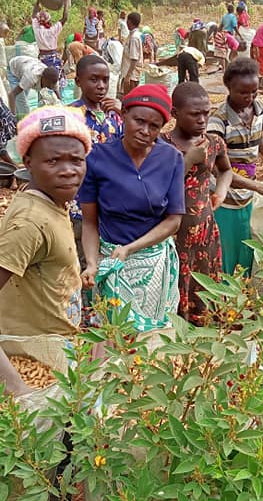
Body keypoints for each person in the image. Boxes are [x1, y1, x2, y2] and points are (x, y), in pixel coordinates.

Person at [0, 107, 92, 394]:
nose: (68, 170)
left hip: (60, 350)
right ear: (28, 162)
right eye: (53, 160)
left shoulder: (50, 201)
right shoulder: (32, 222)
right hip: (39, 362)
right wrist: (16, 387)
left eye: (76, 160)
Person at [79, 84, 185, 331]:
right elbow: (90, 221)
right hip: (112, 260)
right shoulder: (97, 158)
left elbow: (173, 221)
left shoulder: (171, 159)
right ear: (123, 113)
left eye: (154, 126)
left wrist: (131, 248)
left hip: (153, 265)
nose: (145, 131)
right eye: (139, 121)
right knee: (114, 335)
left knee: (153, 336)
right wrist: (93, 263)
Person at [163, 82, 233, 323]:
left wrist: (221, 192)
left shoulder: (213, 142)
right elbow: (160, 187)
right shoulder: (162, 146)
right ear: (175, 114)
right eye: (195, 114)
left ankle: (202, 321)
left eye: (206, 113)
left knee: (204, 278)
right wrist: (189, 159)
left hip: (205, 229)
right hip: (173, 231)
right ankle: (177, 326)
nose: (202, 119)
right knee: (176, 280)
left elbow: (226, 171)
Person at [208, 58, 263, 275]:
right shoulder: (217, 121)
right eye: (243, 93)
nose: (249, 98)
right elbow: (218, 169)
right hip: (224, 199)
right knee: (226, 251)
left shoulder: (259, 109)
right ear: (229, 88)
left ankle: (244, 294)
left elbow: (260, 136)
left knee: (246, 249)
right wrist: (257, 186)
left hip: (247, 196)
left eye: (254, 92)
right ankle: (222, 302)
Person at [70, 54, 124, 144]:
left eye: (105, 80)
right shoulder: (71, 115)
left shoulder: (115, 113)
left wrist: (124, 114)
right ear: (78, 81)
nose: (101, 86)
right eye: (94, 80)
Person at [33, 0, 69, 89]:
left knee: (43, 85)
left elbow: (34, 13)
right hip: (53, 59)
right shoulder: (53, 30)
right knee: (57, 85)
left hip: (42, 60)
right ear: (49, 21)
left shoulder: (37, 30)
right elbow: (65, 18)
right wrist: (65, 0)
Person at [119, 12, 144, 97]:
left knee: (130, 98)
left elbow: (134, 58)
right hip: (128, 72)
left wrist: (128, 76)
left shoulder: (134, 38)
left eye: (127, 21)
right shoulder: (132, 35)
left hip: (132, 74)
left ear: (130, 22)